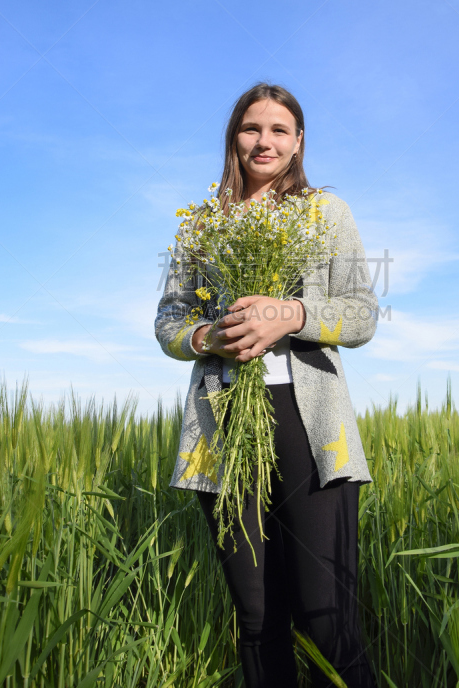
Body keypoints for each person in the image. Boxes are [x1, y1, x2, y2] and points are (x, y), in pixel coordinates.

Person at [155, 83, 379, 687]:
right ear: (234, 138)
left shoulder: (325, 212)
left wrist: (295, 314)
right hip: (223, 423)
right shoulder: (202, 223)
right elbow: (169, 322)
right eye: (252, 129)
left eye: (280, 130)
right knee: (256, 618)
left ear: (299, 141)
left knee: (327, 619)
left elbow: (362, 313)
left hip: (310, 427)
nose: (265, 141)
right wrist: (208, 338)